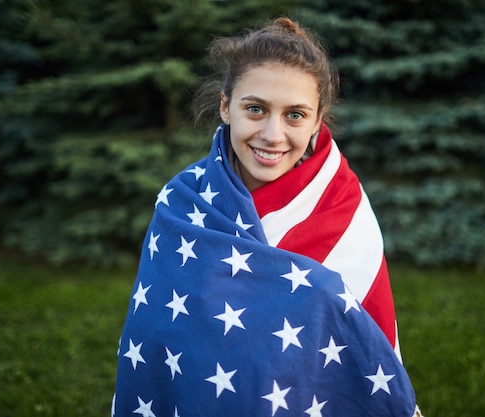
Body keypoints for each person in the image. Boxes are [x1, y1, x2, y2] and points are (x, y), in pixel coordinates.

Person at [113, 17, 422, 417]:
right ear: (226, 107)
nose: (273, 135)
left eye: (295, 115)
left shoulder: (343, 209)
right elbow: (156, 335)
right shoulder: (181, 200)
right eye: (256, 109)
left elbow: (363, 341)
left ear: (317, 119)